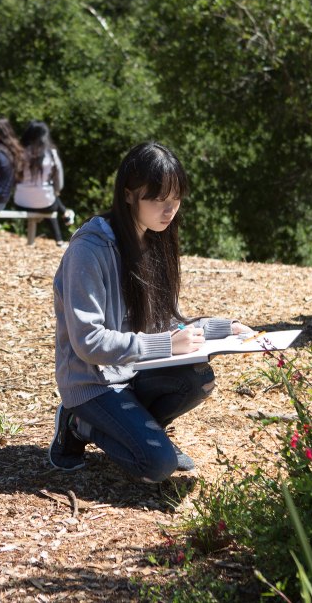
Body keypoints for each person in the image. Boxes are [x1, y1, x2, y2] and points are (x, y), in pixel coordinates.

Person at [48, 141, 253, 481]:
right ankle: (79, 423)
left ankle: (141, 432)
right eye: (158, 199)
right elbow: (88, 342)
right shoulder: (89, 250)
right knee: (156, 467)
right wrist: (166, 346)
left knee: (198, 377)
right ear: (129, 195)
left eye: (175, 199)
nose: (170, 209)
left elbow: (167, 321)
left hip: (132, 372)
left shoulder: (152, 239)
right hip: (93, 383)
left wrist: (224, 329)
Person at [13, 120, 75, 246]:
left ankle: (62, 227)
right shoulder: (51, 154)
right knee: (50, 199)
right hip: (46, 203)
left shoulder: (19, 153)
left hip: (20, 202)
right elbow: (59, 182)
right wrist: (56, 191)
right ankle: (65, 215)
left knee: (48, 198)